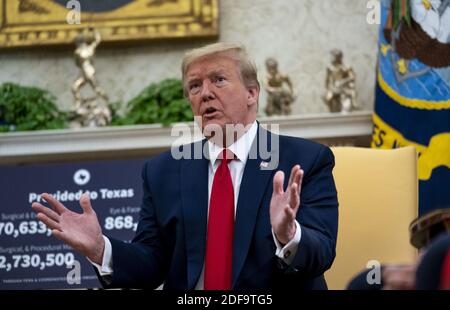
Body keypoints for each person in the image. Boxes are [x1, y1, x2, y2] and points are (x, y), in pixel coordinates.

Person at [32, 42, 338, 290]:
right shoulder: (163, 171)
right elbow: (151, 265)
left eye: (218, 79)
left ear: (251, 94)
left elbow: (321, 253)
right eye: (194, 86)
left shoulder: (305, 159)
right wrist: (101, 249)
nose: (205, 93)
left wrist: (289, 235)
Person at [323, 49, 357, 113]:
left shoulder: (345, 67)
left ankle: (353, 104)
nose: (331, 58)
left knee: (349, 96)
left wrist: (342, 82)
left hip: (344, 88)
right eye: (331, 56)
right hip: (333, 88)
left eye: (332, 56)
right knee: (328, 98)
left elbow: (352, 77)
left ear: (338, 57)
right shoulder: (329, 67)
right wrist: (329, 87)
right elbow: (327, 80)